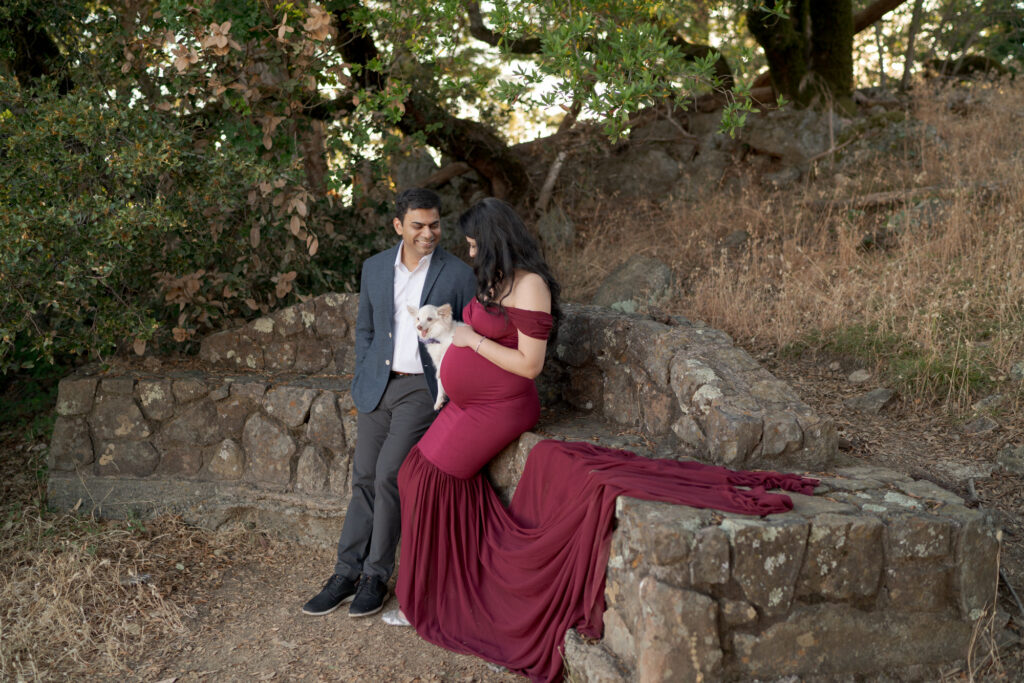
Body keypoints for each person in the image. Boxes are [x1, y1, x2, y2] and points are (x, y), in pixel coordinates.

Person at [388, 197, 820, 682]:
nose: (468, 252)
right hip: (470, 402)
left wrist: (471, 341)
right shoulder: (492, 279)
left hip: (502, 406)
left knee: (427, 479)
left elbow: (530, 365)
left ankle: (436, 600)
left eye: (473, 243)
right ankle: (444, 586)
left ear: (493, 239)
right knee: (414, 472)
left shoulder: (529, 287)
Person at [301, 187, 476, 618]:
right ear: (399, 226)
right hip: (377, 387)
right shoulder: (375, 268)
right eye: (418, 225)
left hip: (422, 389)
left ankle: (376, 576)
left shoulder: (458, 274)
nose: (428, 233)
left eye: (434, 224)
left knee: (387, 476)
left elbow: (468, 335)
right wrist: (364, 372)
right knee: (362, 476)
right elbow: (365, 328)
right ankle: (346, 573)